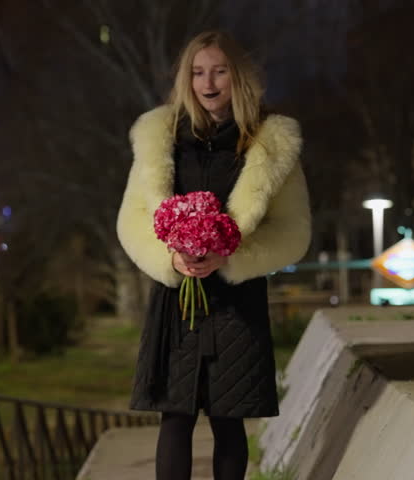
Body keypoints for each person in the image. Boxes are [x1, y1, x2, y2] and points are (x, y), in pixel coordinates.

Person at [116, 30, 311, 480]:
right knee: (176, 417)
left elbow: (294, 231)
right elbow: (131, 220)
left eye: (219, 71)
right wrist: (171, 260)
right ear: (186, 79)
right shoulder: (160, 138)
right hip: (175, 300)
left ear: (238, 77)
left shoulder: (269, 142)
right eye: (198, 72)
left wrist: (231, 255)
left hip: (236, 301)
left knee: (229, 417)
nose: (208, 83)